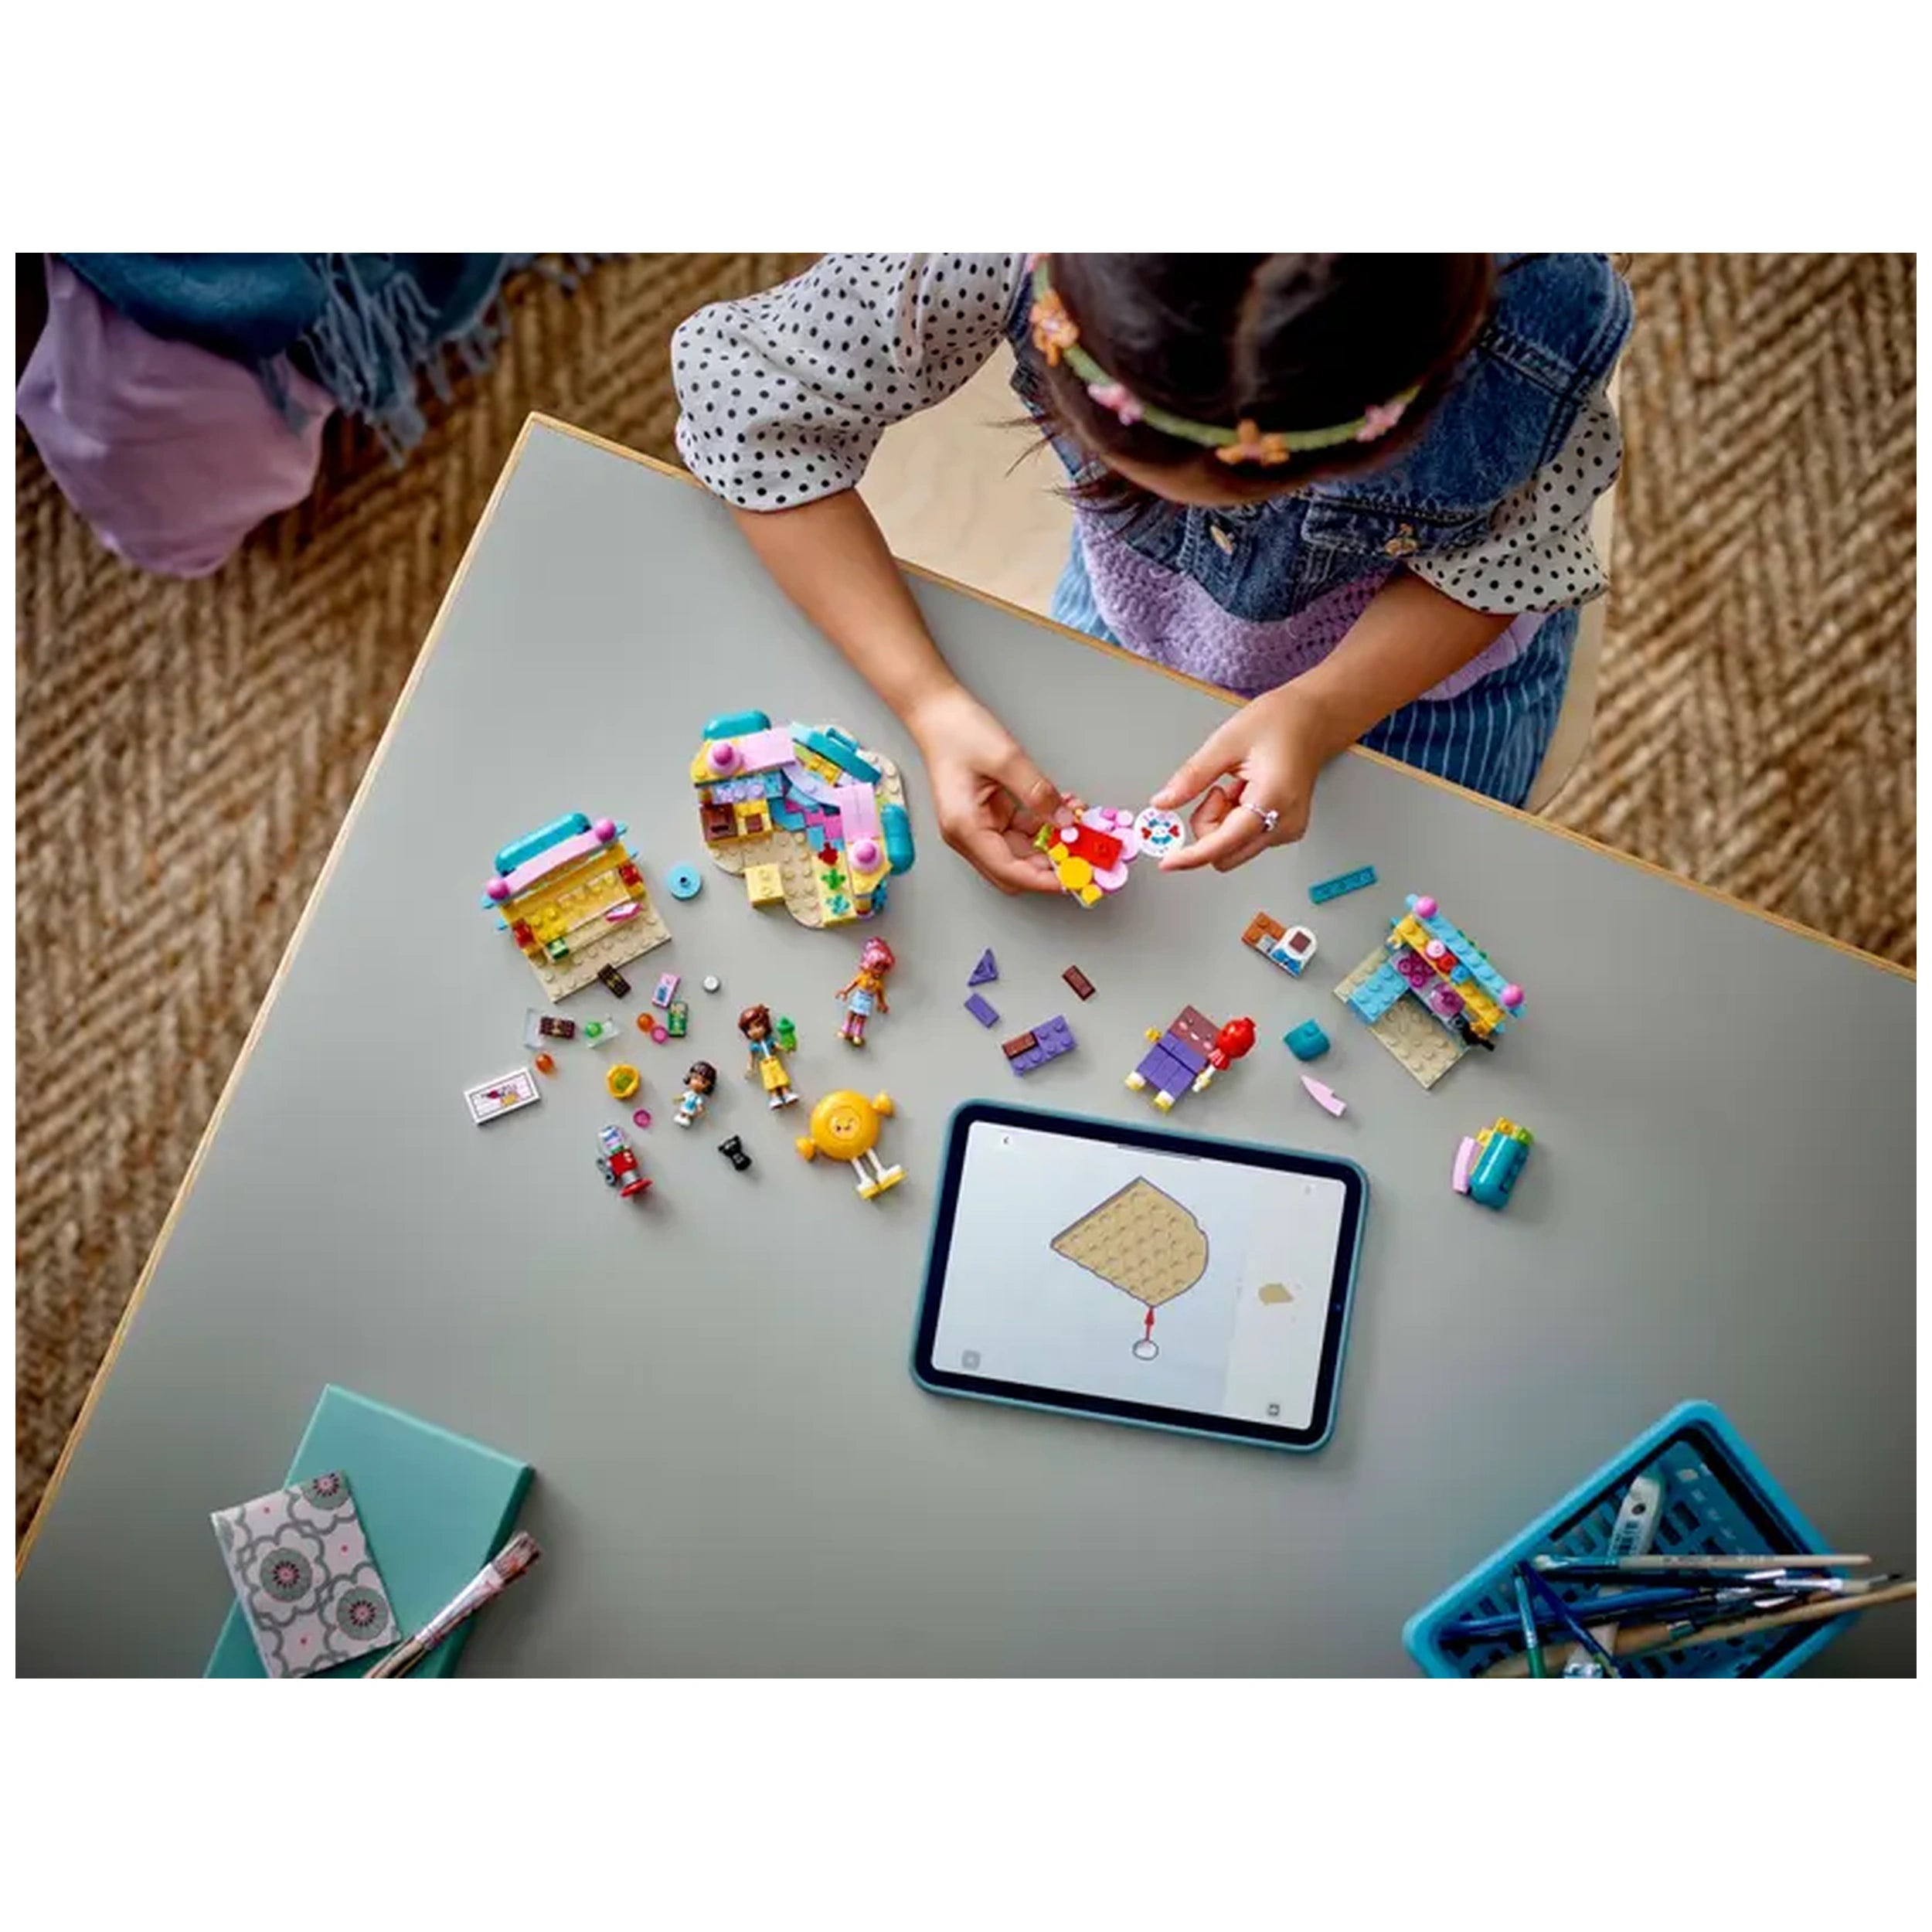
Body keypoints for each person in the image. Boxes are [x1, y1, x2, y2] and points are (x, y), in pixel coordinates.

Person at [671, 254, 1630, 893]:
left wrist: (1324, 708)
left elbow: (1510, 563)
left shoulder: (1544, 319)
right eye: (1139, 479)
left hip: (1423, 683)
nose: (1227, 523)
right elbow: (744, 407)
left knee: (1433, 903)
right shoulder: (982, 241)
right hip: (1140, 607)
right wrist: (927, 703)